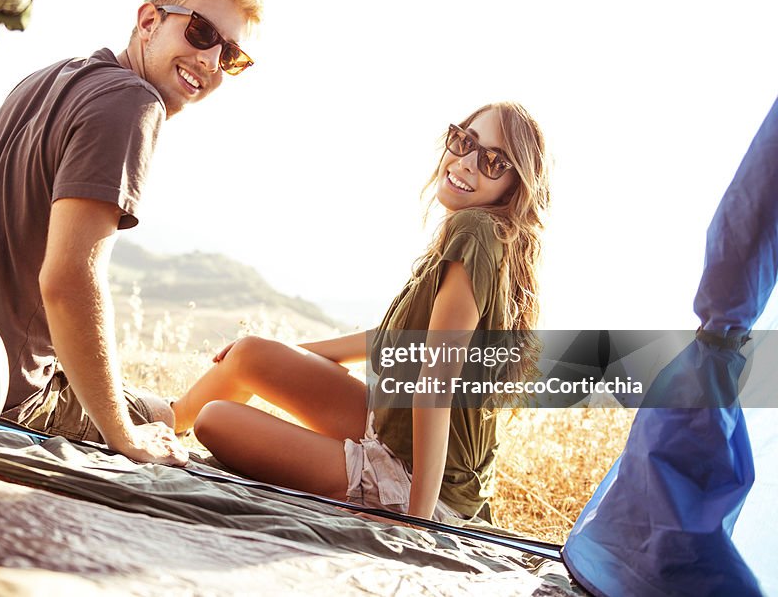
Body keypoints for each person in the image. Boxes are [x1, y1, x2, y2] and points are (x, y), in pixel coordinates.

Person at [0, 0, 263, 466]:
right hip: (5, 389)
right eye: (200, 31)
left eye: (232, 55)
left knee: (151, 406)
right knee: (162, 420)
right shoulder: (134, 103)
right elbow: (68, 281)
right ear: (149, 20)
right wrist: (124, 436)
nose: (212, 59)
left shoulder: (45, 78)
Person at [172, 102, 550, 521]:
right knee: (248, 354)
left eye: (494, 161)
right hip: (388, 425)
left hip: (414, 478)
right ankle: (159, 422)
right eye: (464, 141)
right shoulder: (476, 233)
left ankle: (404, 506)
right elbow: (390, 342)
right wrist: (283, 354)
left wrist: (416, 520)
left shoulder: (476, 233)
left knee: (216, 420)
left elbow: (435, 385)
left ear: (516, 184)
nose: (466, 163)